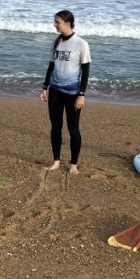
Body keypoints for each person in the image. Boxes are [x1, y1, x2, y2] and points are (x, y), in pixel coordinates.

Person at [38, 10, 90, 174]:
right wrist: (44, 87)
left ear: (68, 23)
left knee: (73, 128)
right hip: (55, 92)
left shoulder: (81, 44)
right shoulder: (57, 42)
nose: (55, 25)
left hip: (73, 94)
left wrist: (81, 94)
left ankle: (74, 164)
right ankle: (56, 161)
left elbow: (86, 70)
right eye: (55, 22)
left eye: (57, 22)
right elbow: (51, 66)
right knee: (55, 127)